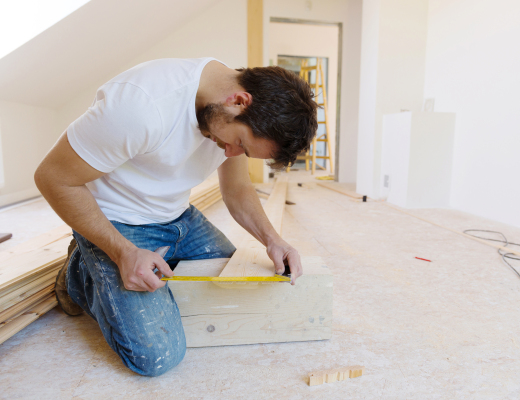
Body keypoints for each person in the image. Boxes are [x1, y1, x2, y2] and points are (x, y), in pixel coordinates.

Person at [34, 57, 318, 376]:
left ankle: (112, 268)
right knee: (157, 355)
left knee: (232, 295)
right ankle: (81, 273)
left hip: (179, 216)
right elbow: (52, 177)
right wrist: (124, 253)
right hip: (119, 221)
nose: (231, 154)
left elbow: (237, 189)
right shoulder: (140, 107)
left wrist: (273, 240)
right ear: (238, 101)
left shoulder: (229, 104)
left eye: (244, 151)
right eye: (239, 143)